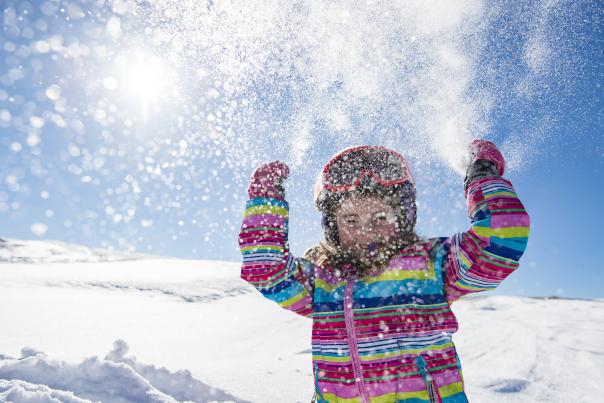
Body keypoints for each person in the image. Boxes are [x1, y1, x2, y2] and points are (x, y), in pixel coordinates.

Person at [239, 141, 530, 403]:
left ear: (403, 218)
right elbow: (268, 269)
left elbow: (499, 243)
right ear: (332, 228)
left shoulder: (432, 265)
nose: (366, 230)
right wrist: (267, 201)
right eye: (351, 220)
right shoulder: (323, 281)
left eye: (380, 217)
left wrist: (481, 176)